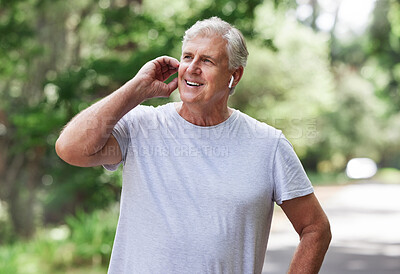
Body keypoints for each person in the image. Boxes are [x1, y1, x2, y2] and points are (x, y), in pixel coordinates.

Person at [56, 17, 331, 274]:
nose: (192, 67)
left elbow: (315, 228)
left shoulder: (268, 145)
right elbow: (70, 148)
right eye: (188, 56)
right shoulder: (141, 125)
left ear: (234, 75)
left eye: (207, 60)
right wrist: (136, 88)